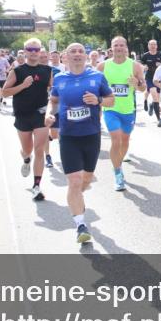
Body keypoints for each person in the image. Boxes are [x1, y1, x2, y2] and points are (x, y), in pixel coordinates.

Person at [45, 43, 114, 245]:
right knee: (74, 181)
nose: (77, 54)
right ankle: (81, 225)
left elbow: (111, 100)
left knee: (86, 179)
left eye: (80, 51)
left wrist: (98, 100)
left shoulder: (96, 77)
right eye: (72, 52)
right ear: (65, 57)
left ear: (85, 56)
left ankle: (77, 198)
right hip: (68, 136)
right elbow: (54, 101)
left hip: (91, 135)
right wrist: (50, 113)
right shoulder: (59, 78)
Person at [1, 38, 53, 201]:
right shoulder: (17, 71)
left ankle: (36, 186)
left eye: (36, 49)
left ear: (40, 52)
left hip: (40, 114)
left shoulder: (47, 71)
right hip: (22, 115)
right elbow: (5, 92)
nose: (33, 52)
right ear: (24, 51)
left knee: (39, 150)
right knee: (28, 149)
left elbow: (54, 93)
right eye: (30, 49)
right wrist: (23, 85)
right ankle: (25, 159)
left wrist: (52, 111)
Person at [98, 36, 145, 191]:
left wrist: (136, 84)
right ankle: (118, 172)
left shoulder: (135, 66)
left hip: (128, 110)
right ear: (111, 48)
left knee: (125, 141)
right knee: (116, 139)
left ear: (126, 47)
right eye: (115, 45)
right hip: (110, 109)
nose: (119, 48)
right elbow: (94, 86)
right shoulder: (102, 66)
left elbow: (143, 88)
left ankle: (117, 164)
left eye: (121, 45)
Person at [45, 49, 65, 168]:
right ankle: (48, 156)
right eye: (53, 56)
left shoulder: (64, 67)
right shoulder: (47, 68)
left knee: (55, 134)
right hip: (46, 101)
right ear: (50, 57)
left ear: (59, 57)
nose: (55, 58)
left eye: (57, 56)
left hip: (59, 101)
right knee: (45, 129)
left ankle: (49, 136)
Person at [140, 39, 161, 127]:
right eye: (151, 44)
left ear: (157, 46)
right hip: (150, 78)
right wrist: (144, 67)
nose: (153, 46)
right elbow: (141, 65)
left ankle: (152, 105)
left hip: (159, 78)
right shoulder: (145, 56)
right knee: (154, 95)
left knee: (157, 99)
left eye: (154, 44)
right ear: (148, 46)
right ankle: (159, 119)